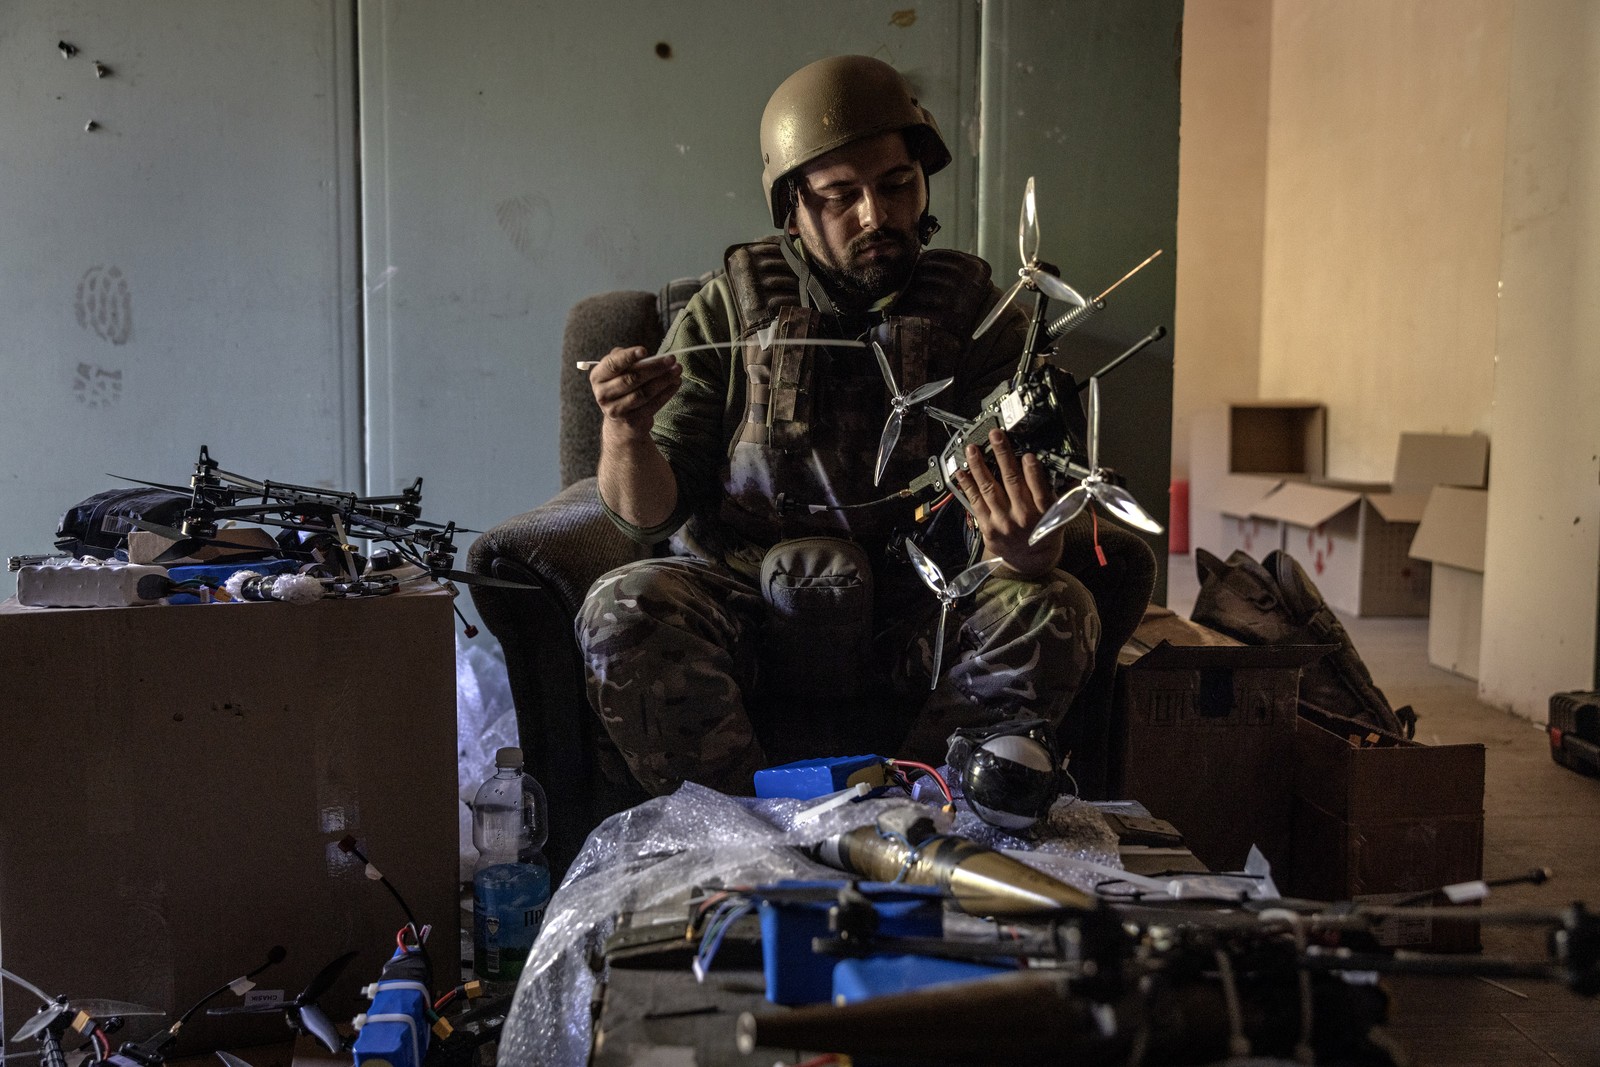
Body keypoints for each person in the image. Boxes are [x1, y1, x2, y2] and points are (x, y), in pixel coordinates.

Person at [575, 55, 1102, 797]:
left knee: (1055, 611)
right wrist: (624, 432)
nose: (876, 217)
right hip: (749, 606)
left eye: (896, 186)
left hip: (918, 612)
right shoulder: (730, 308)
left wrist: (1026, 551)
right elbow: (646, 515)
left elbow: (1034, 517)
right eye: (839, 196)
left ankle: (912, 809)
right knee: (621, 609)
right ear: (791, 207)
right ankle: (739, 833)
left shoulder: (983, 318)